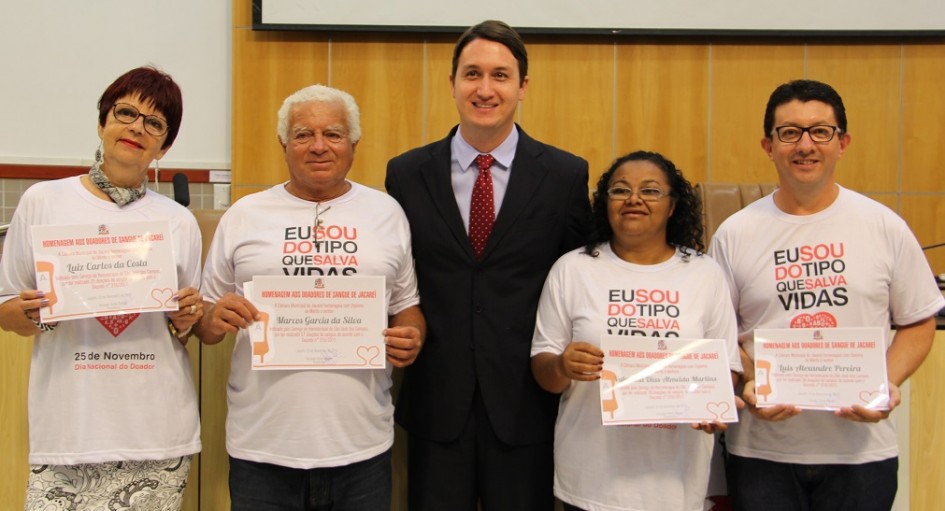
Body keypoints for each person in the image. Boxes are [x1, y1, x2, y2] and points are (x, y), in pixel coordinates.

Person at [385, 19, 593, 511]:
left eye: (500, 76)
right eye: (471, 74)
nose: (484, 88)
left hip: (526, 402)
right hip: (437, 401)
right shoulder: (407, 172)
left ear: (523, 86)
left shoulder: (565, 174)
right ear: (452, 83)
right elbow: (394, 276)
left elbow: (579, 278)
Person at [710, 79, 945, 510]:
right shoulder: (734, 234)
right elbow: (720, 333)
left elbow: (918, 319)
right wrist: (752, 380)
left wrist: (886, 382)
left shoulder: (883, 226)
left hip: (860, 453)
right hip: (762, 453)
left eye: (820, 131)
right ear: (768, 145)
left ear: (843, 142)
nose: (805, 145)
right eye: (789, 132)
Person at [195, 84, 425, 511]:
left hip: (362, 449)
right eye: (303, 134)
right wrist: (214, 318)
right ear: (284, 143)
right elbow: (205, 324)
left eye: (333, 134)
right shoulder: (244, 214)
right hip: (261, 450)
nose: (319, 146)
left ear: (354, 144)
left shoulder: (387, 213)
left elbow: (407, 307)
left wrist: (412, 336)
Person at [0, 66, 204, 509]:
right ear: (102, 121)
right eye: (125, 112)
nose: (136, 127)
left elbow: (185, 327)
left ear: (164, 145)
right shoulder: (43, 202)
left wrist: (188, 316)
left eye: (154, 123)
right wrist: (32, 310)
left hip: (156, 434)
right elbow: (6, 310)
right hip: (69, 431)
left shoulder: (178, 222)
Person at [530, 150, 742, 511]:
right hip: (591, 478)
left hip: (675, 479)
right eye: (619, 190)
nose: (633, 199)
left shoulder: (705, 274)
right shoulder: (573, 269)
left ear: (673, 205)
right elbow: (544, 370)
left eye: (650, 191)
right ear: (605, 202)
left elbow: (729, 369)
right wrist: (564, 366)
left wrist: (714, 403)